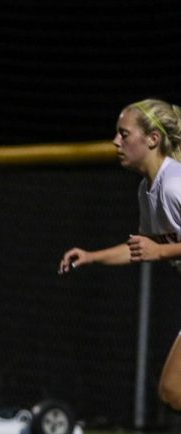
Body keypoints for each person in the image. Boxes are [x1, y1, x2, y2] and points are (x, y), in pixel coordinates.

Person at [59, 98, 181, 413]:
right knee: (172, 390)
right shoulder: (148, 190)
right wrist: (92, 256)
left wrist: (161, 251)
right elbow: (143, 247)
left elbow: (156, 248)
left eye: (124, 134)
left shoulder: (174, 185)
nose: (116, 141)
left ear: (153, 139)